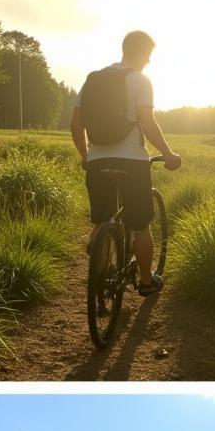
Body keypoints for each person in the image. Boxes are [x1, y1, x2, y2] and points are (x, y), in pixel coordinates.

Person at [71, 30, 182, 297]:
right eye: (149, 56)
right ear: (143, 54)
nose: (149, 62)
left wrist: (86, 157)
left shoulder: (92, 80)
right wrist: (168, 153)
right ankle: (145, 281)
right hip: (132, 161)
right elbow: (147, 123)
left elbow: (76, 124)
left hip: (97, 160)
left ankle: (98, 269)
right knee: (141, 224)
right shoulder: (140, 80)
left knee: (101, 220)